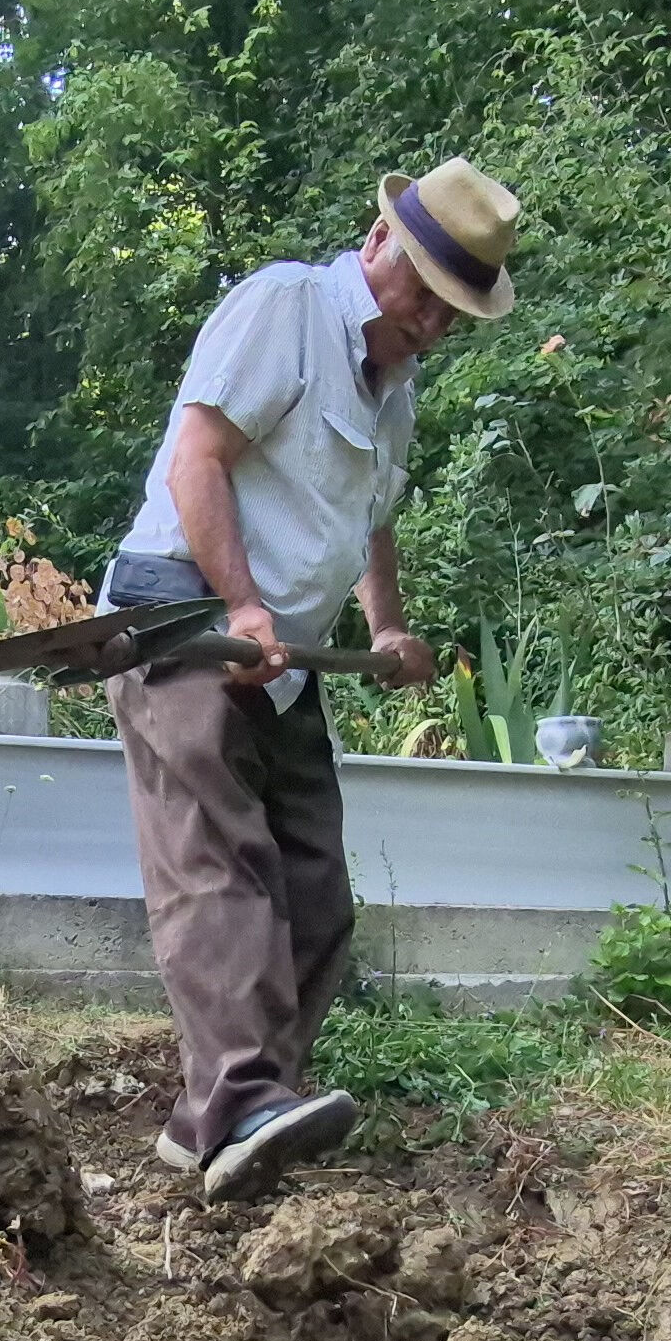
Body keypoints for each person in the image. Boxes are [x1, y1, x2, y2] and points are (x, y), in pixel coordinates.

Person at [104, 158, 519, 1200]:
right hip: (186, 616)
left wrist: (388, 625)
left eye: (449, 310)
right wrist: (241, 605)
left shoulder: (397, 383)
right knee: (218, 862)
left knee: (315, 890)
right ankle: (245, 1099)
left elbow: (370, 517)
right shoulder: (285, 306)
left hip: (285, 654)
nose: (426, 321)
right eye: (419, 290)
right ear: (376, 242)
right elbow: (196, 457)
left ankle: (225, 1120)